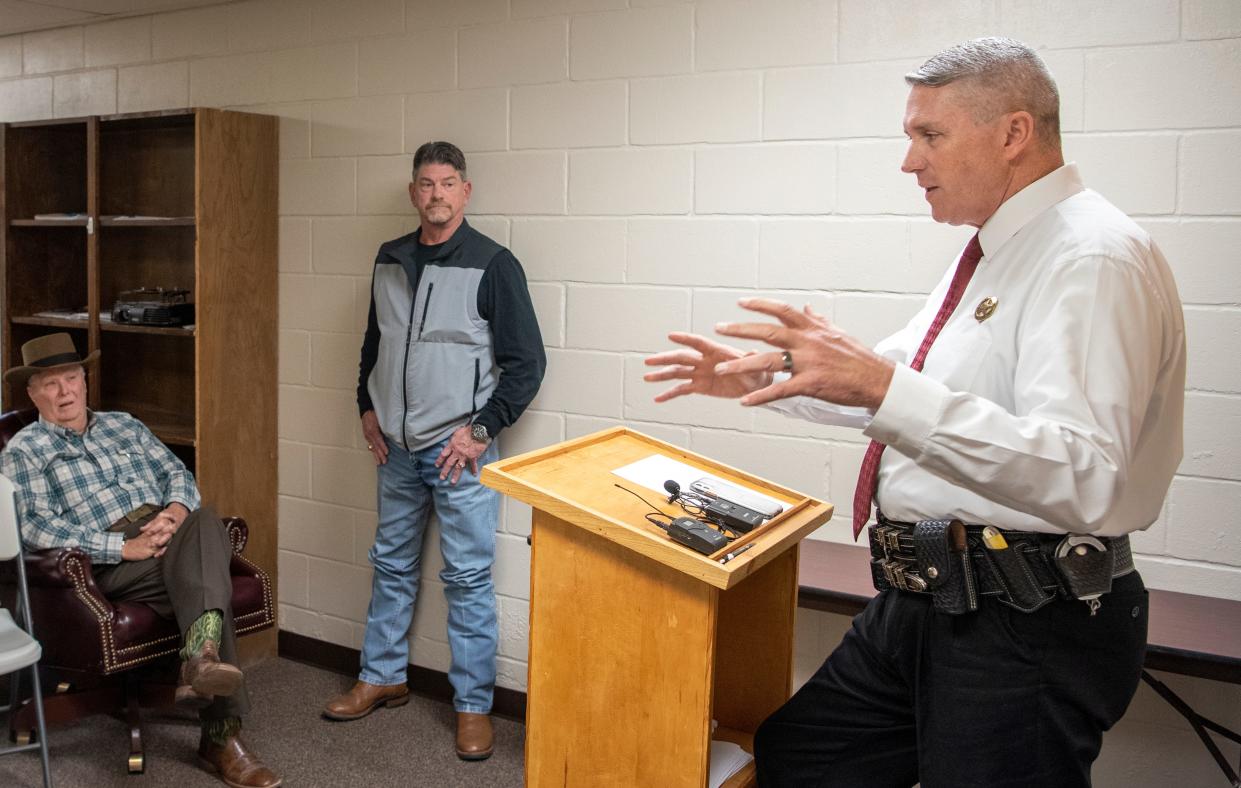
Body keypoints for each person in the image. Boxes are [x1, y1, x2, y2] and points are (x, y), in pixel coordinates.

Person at [644, 37, 1184, 787]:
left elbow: (1084, 473)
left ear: (1013, 133)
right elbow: (903, 384)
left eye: (928, 135)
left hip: (1022, 614)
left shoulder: (1089, 256)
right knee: (806, 757)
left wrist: (879, 387)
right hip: (926, 597)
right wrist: (766, 380)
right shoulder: (995, 253)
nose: (909, 161)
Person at [323, 140, 545, 761]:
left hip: (460, 455)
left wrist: (478, 432)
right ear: (413, 191)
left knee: (469, 578)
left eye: (448, 183)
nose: (437, 194)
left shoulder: (494, 264)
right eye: (426, 183)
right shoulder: (389, 258)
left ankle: (473, 707)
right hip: (394, 449)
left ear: (465, 192)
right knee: (390, 565)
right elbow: (374, 343)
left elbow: (527, 366)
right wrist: (364, 408)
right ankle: (382, 676)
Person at [0, 332, 281, 788]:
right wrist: (120, 547)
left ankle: (203, 656)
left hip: (166, 531)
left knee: (203, 520)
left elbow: (176, 472)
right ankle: (221, 733)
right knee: (209, 570)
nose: (65, 392)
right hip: (105, 560)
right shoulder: (25, 451)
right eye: (50, 384)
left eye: (71, 378)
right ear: (32, 394)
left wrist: (173, 512)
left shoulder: (123, 425)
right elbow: (33, 528)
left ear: (85, 380)